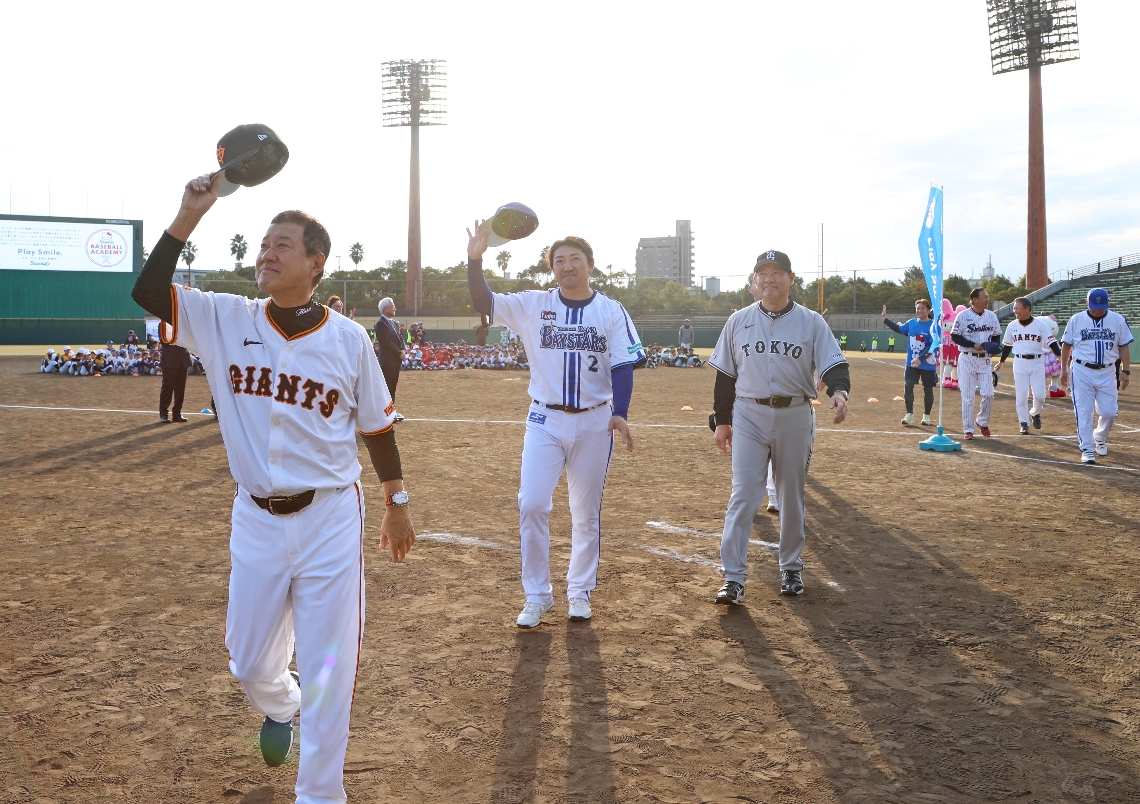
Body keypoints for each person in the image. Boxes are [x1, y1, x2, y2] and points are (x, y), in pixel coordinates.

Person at [131, 173, 415, 801]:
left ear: (315, 263)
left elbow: (377, 426)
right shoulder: (224, 317)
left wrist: (396, 501)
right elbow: (148, 290)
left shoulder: (348, 340)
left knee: (328, 668)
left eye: (282, 244)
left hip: (330, 518)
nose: (267, 252)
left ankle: (319, 793)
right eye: (264, 243)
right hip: (255, 517)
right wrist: (188, 213)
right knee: (249, 658)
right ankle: (281, 704)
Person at [467, 226, 643, 628]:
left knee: (585, 514)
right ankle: (537, 595)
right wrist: (475, 260)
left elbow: (622, 364)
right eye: (559, 260)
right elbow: (485, 300)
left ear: (590, 265)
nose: (567, 266)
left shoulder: (610, 310)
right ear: (552, 269)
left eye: (574, 259)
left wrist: (622, 410)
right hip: (544, 419)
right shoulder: (533, 304)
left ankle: (579, 592)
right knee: (531, 504)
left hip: (595, 420)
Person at [710, 250, 849, 602]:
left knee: (790, 493)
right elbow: (725, 376)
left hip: (795, 413)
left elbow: (833, 363)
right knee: (744, 494)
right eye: (763, 273)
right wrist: (722, 421)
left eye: (777, 272)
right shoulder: (738, 321)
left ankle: (790, 567)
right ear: (754, 281)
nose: (770, 278)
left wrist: (839, 391)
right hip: (748, 414)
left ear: (791, 279)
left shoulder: (811, 321)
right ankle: (734, 578)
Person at [1060, 288, 1133, 464]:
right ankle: (1087, 448)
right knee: (1084, 411)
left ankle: (1099, 436)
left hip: (1108, 371)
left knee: (1109, 412)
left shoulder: (1118, 320)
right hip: (1081, 370)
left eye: (1100, 306)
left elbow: (1123, 346)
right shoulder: (1076, 319)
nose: (1097, 310)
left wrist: (1126, 371)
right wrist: (1063, 369)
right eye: (1094, 306)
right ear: (1087, 303)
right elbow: (1067, 346)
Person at [998, 297, 1060, 435]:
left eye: (1017, 308)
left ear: (1027, 309)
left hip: (1037, 362)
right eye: (1014, 308)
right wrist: (1002, 361)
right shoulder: (1012, 325)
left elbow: (1052, 342)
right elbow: (1007, 346)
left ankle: (1035, 413)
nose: (1015, 310)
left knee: (1040, 397)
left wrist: (1059, 355)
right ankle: (1024, 423)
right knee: (1021, 396)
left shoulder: (1040, 325)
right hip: (1019, 363)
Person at [950, 288, 1001, 439]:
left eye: (988, 297)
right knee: (968, 397)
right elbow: (955, 336)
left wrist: (994, 347)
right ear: (974, 299)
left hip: (984, 360)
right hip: (967, 358)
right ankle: (968, 429)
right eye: (985, 297)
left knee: (989, 393)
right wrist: (973, 344)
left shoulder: (991, 316)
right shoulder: (963, 315)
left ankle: (982, 421)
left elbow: (997, 336)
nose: (987, 299)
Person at [882, 301, 939, 426]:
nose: (920, 311)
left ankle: (926, 416)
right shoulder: (911, 323)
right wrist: (885, 319)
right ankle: (909, 415)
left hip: (927, 364)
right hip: (911, 363)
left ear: (929, 310)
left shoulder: (934, 326)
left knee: (928, 389)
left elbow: (932, 346)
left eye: (923, 308)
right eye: (918, 308)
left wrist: (921, 359)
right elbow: (899, 329)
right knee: (908, 386)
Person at [373, 297, 405, 420]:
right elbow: (386, 342)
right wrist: (398, 352)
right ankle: (383, 414)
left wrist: (403, 349)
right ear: (385, 309)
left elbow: (400, 338)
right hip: (387, 362)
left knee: (392, 388)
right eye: (392, 305)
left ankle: (390, 412)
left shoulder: (392, 322)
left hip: (395, 361)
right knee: (386, 389)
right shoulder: (381, 323)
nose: (394, 307)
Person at [158, 342, 192, 422]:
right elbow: (163, 341)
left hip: (183, 360)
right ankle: (164, 414)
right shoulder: (165, 328)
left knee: (180, 389)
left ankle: (177, 413)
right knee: (167, 388)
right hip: (169, 359)